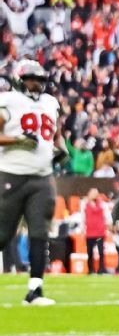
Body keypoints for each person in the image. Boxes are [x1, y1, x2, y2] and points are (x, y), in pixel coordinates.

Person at [0, 60, 62, 304]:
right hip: (11, 174)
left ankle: (35, 290)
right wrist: (16, 140)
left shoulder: (50, 104)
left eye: (39, 80)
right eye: (31, 79)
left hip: (42, 176)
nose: (36, 84)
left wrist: (61, 148)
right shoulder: (8, 101)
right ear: (19, 79)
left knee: (40, 232)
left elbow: (56, 133)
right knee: (3, 234)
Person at [83, 187, 108, 275]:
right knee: (89, 252)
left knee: (101, 252)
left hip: (100, 232)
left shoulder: (102, 204)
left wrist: (108, 226)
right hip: (89, 232)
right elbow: (82, 217)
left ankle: (102, 269)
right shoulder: (84, 204)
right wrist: (82, 229)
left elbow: (107, 216)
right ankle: (91, 269)